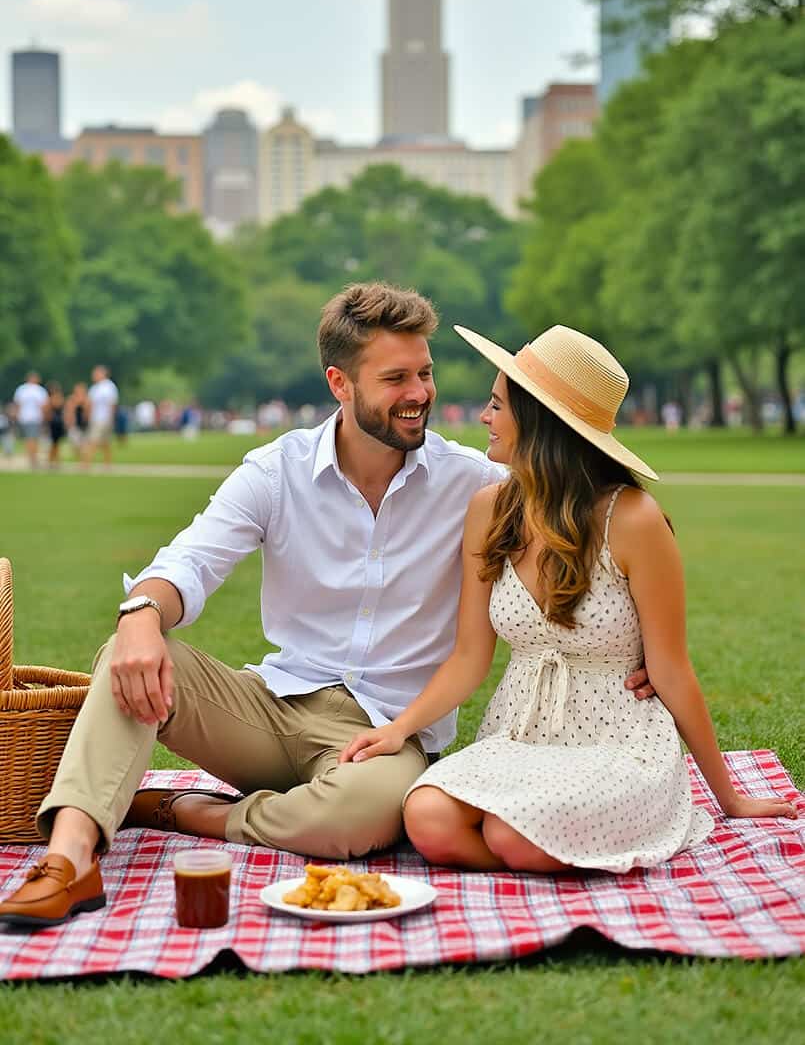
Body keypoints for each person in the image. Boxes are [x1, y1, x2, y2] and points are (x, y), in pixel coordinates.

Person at [0, 286, 653, 929]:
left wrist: (640, 648)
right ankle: (68, 861)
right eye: (395, 377)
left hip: (382, 736)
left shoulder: (475, 484)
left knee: (362, 816)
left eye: (423, 373)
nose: (419, 393)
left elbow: (595, 526)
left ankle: (189, 812)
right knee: (129, 653)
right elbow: (190, 561)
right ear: (340, 383)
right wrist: (141, 612)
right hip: (267, 708)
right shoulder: (275, 471)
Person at [340, 324, 797, 873]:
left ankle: (546, 844)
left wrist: (730, 798)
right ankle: (549, 849)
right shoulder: (490, 509)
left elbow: (672, 669)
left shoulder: (632, 519)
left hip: (617, 741)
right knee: (427, 818)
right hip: (520, 732)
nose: (484, 418)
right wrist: (398, 729)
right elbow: (468, 658)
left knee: (515, 834)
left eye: (497, 406)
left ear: (540, 421)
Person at [82, 365, 119, 466]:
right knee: (103, 441)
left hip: (104, 418)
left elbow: (112, 404)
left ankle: (86, 463)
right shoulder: (95, 388)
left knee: (94, 440)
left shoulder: (109, 387)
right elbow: (89, 404)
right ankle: (107, 462)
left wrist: (112, 417)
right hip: (95, 417)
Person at [12, 371, 48, 468]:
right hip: (34, 418)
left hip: (25, 417)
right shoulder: (39, 390)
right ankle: (33, 458)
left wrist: (16, 416)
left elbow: (17, 404)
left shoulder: (21, 389)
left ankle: (31, 457)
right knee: (32, 438)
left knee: (29, 438)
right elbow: (43, 406)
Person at [44, 382, 68, 468]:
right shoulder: (51, 399)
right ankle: (52, 461)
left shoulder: (55, 398)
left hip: (58, 423)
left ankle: (55, 461)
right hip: (53, 423)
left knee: (56, 443)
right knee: (54, 443)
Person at [65, 382, 90, 458]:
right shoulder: (71, 399)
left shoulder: (87, 399)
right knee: (75, 444)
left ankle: (84, 460)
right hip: (74, 425)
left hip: (84, 425)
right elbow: (69, 412)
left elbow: (88, 412)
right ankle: (82, 457)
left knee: (84, 444)